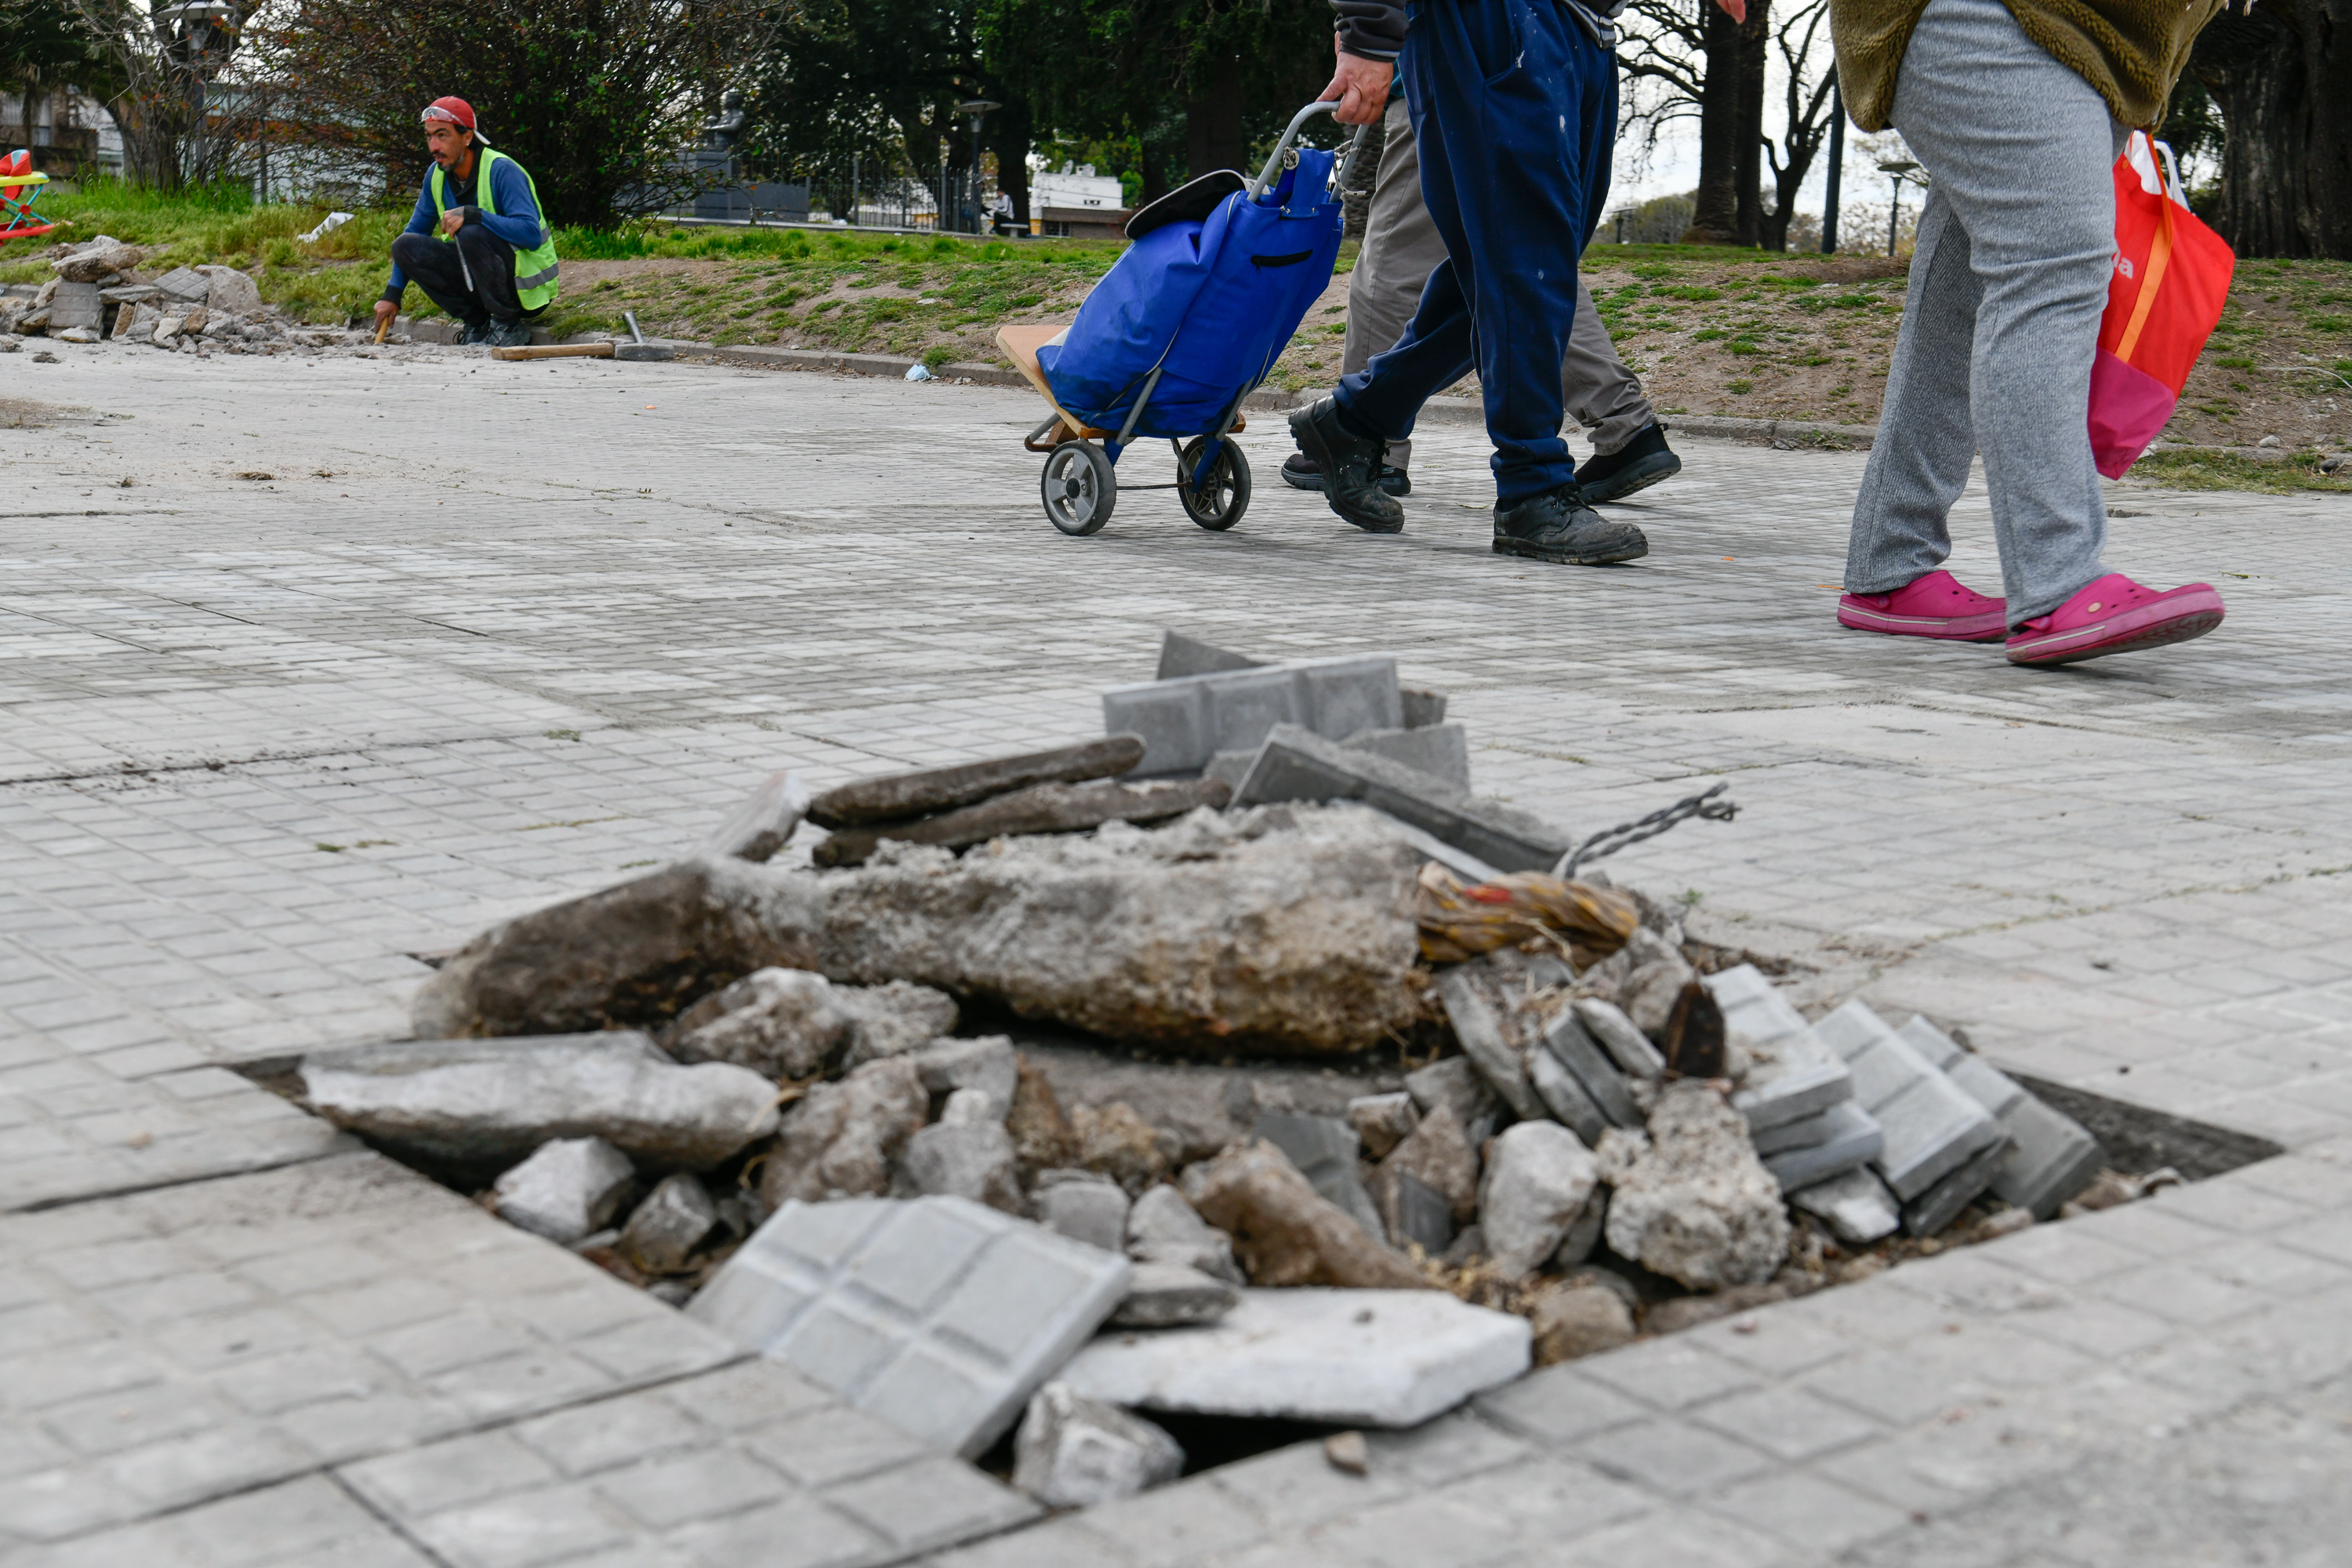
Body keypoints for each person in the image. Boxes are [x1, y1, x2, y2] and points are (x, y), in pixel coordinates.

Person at [1829, 0, 2227, 665]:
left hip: (2086, 50)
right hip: (2002, 21)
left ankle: (1889, 566)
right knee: (2054, 271)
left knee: (1953, 314)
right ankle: (2059, 582)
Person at [1290, 0, 1741, 566]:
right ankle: (1534, 490)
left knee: (1524, 261)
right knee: (1523, 262)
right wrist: (1368, 30)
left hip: (1586, 26)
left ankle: (1358, 420)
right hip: (1493, 21)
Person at [1283, 93, 1682, 507]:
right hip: (1540, 81)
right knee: (1527, 260)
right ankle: (1626, 424)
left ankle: (1364, 439)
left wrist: (1365, 39)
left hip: (1453, 70)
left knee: (1394, 260)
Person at [373, 98, 561, 350]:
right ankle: (477, 324)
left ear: (467, 137)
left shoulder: (502, 170)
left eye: (442, 135)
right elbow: (414, 233)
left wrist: (475, 215)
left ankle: (507, 326)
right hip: (481, 283)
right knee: (405, 246)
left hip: (526, 291)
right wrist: (392, 295)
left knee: (471, 231)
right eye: (429, 137)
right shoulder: (436, 175)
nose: (434, 146)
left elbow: (530, 235)